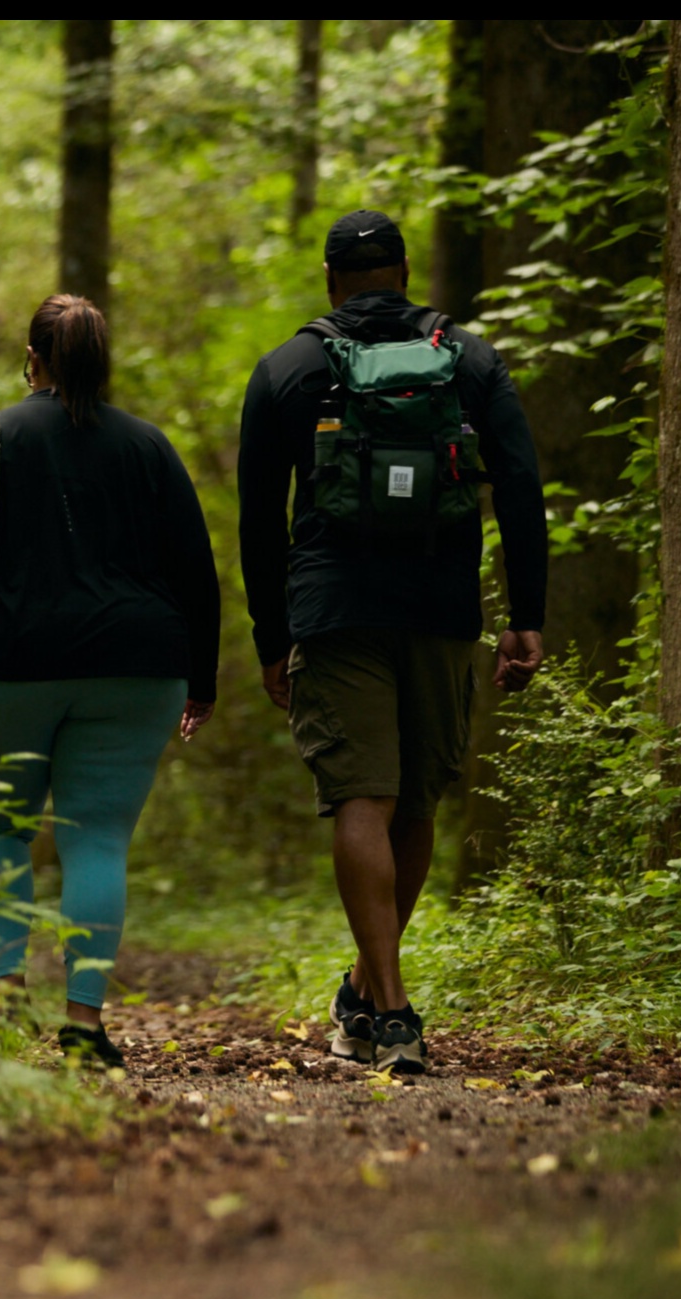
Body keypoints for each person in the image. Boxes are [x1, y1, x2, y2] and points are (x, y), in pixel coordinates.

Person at [238, 210, 548, 1074]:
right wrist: (528, 611)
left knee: (359, 798)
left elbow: (258, 521)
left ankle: (385, 1003)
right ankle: (383, 998)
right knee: (415, 799)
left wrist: (272, 636)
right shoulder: (470, 358)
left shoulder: (290, 368)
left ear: (331, 279)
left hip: (335, 610)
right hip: (442, 604)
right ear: (404, 272)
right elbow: (520, 484)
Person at [0, 294, 220, 1069]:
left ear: (33, 359)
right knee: (99, 840)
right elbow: (197, 573)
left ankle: (6, 998)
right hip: (135, 666)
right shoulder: (148, 447)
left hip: (3, 660)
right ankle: (84, 1024)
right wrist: (202, 680)